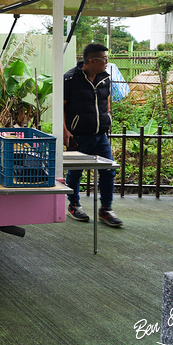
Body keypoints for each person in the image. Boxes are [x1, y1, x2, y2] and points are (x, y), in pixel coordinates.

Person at [63, 43, 123, 227]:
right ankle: (74, 205)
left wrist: (107, 119)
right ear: (92, 61)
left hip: (100, 135)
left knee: (109, 170)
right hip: (79, 135)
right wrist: (65, 129)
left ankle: (106, 209)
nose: (107, 62)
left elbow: (105, 101)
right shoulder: (70, 78)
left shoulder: (105, 78)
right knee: (75, 172)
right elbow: (62, 105)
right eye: (104, 59)